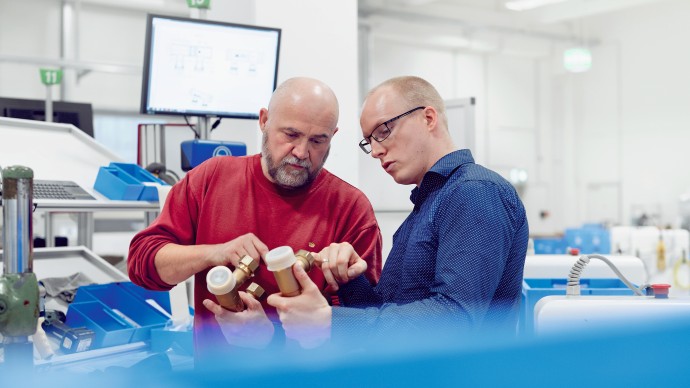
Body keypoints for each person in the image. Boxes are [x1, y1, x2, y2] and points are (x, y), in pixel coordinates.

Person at [128, 77, 383, 357]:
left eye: (317, 141)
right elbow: (143, 265)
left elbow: (364, 331)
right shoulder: (210, 179)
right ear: (264, 121)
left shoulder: (351, 207)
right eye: (290, 134)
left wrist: (270, 341)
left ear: (332, 136)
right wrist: (215, 253)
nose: (301, 152)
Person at [267, 76, 529, 348]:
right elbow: (390, 314)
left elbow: (455, 318)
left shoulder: (476, 192)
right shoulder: (428, 205)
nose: (376, 151)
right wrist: (350, 279)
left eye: (383, 131)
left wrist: (329, 321)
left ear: (428, 118)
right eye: (370, 140)